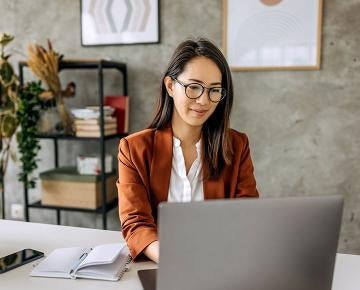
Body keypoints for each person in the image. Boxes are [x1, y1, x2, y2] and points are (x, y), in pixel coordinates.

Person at [117, 38, 259, 263]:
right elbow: (136, 224)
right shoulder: (134, 149)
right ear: (170, 86)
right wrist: (174, 261)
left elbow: (248, 217)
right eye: (194, 87)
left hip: (221, 265)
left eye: (214, 90)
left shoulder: (237, 146)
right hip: (162, 267)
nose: (203, 100)